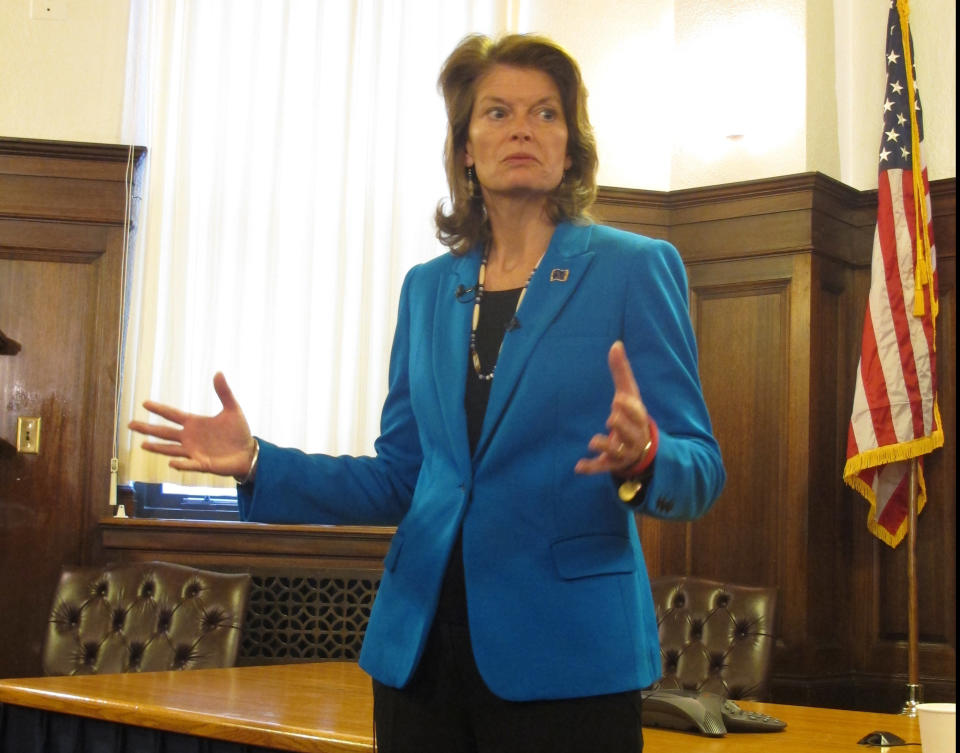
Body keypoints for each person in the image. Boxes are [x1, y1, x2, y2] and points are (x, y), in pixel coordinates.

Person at [130, 33, 725, 753]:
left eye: (545, 114)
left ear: (570, 147)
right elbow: (402, 477)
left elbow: (701, 467)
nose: (522, 130)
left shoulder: (635, 268)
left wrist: (650, 455)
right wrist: (259, 460)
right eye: (498, 112)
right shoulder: (428, 289)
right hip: (420, 653)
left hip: (566, 654)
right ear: (465, 146)